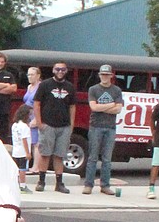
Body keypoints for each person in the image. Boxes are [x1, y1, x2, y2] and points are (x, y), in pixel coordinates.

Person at [31, 61, 75, 194]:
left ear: (66, 71)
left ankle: (59, 183)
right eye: (57, 69)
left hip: (64, 126)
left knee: (59, 155)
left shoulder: (70, 87)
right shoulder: (45, 85)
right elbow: (37, 103)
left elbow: (72, 107)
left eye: (63, 69)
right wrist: (39, 122)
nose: (60, 72)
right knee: (45, 154)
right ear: (53, 70)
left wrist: (71, 125)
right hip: (48, 124)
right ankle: (41, 181)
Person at [83, 64, 123, 195]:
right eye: (102, 74)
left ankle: (105, 185)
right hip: (95, 126)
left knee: (107, 159)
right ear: (99, 75)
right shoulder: (93, 89)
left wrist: (102, 106)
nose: (105, 77)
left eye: (107, 75)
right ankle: (88, 185)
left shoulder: (116, 90)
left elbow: (118, 109)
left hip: (110, 127)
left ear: (111, 76)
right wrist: (111, 105)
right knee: (92, 157)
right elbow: (93, 107)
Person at [0, 51, 19, 143]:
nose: (0, 63)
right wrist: (5, 85)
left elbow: (14, 88)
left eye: (2, 62)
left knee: (3, 132)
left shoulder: (9, 75)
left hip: (5, 109)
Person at [22, 66, 42, 172]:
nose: (29, 77)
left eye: (32, 74)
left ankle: (36, 167)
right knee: (30, 140)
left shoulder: (40, 87)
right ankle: (30, 165)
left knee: (37, 143)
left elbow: (43, 104)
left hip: (36, 115)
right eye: (28, 74)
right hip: (27, 116)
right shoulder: (29, 87)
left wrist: (37, 119)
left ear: (38, 76)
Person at [10, 105, 32, 194]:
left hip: (16, 150)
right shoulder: (25, 127)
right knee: (23, 169)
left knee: (16, 169)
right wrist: (28, 153)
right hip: (23, 152)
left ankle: (15, 184)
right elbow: (24, 140)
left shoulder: (14, 125)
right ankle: (22, 185)